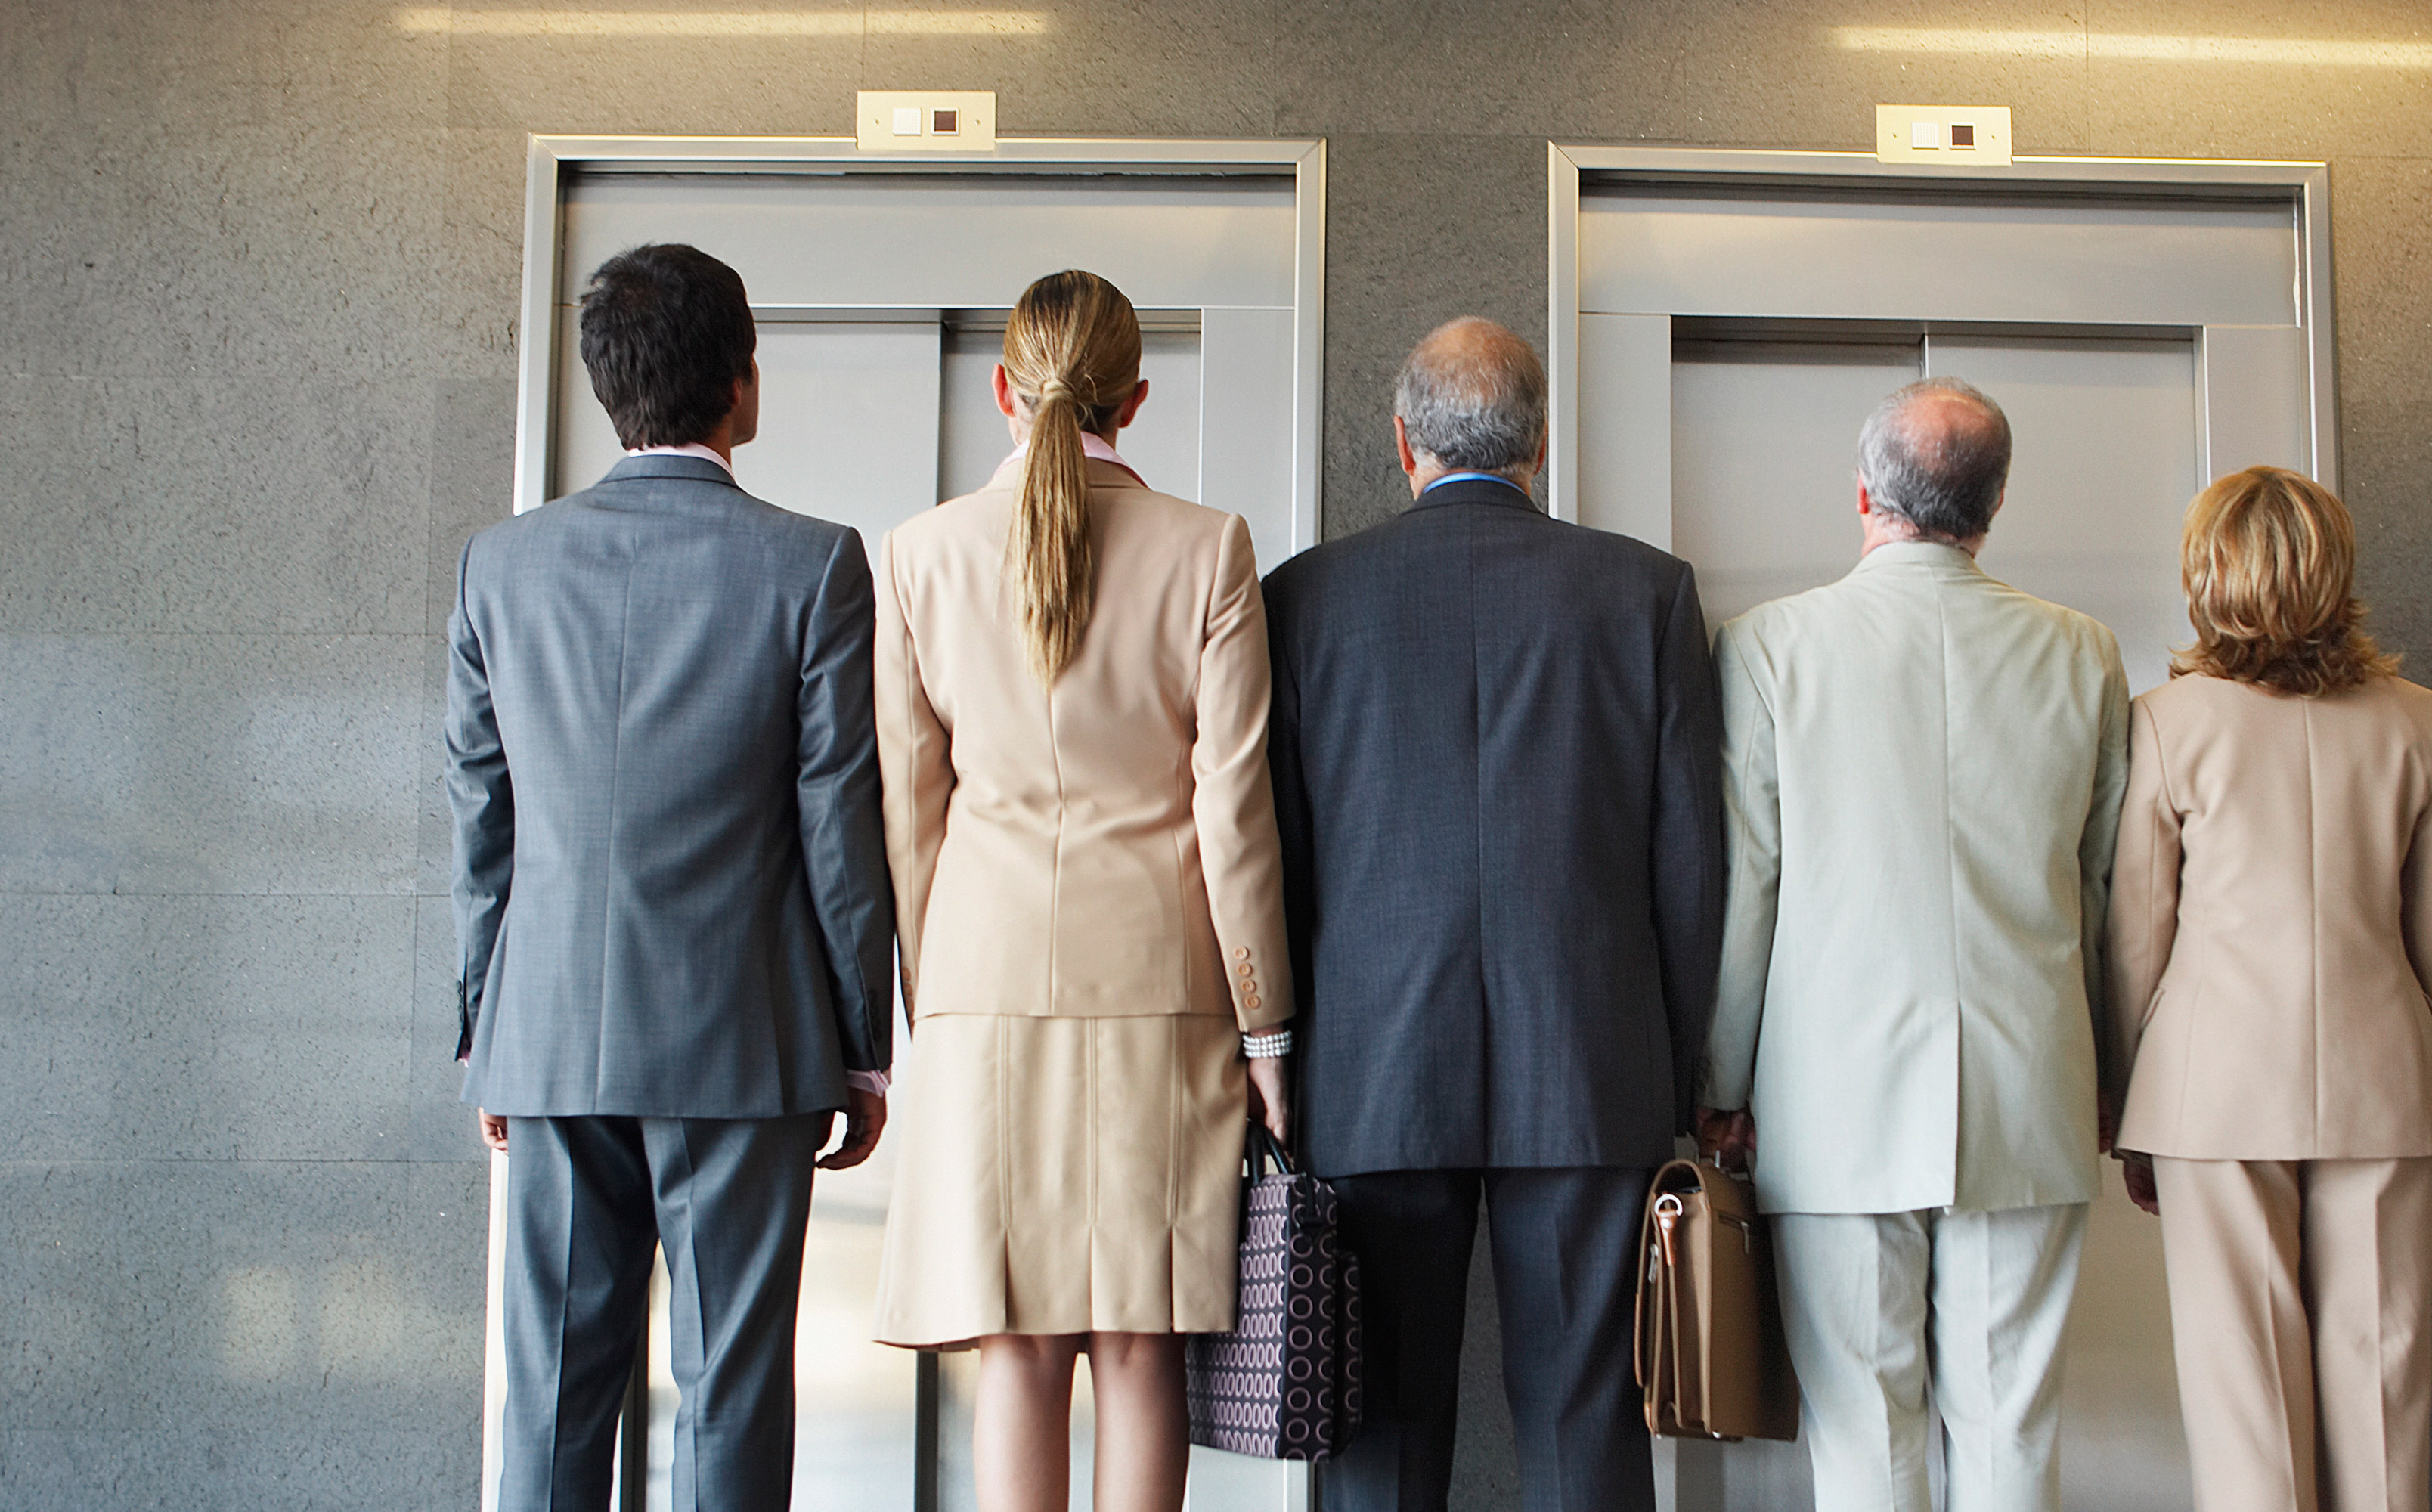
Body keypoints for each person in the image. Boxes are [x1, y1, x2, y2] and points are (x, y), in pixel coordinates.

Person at [448, 242, 896, 1512]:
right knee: (732, 1397)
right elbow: (836, 823)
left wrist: (486, 1027)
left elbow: (483, 818)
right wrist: (863, 1046)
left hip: (548, 1044)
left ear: (607, 387)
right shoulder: (812, 564)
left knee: (549, 1403)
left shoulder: (501, 567)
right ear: (741, 385)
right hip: (742, 1050)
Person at [1263, 318, 1724, 1512]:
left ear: (1404, 442)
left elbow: (1279, 860)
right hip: (1589, 1072)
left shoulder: (1305, 600)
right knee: (1585, 1433)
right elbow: (1690, 862)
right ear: (1543, 441)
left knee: (1377, 1441)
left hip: (1371, 1074)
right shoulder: (1647, 593)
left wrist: (1285, 1058)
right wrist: (1676, 1077)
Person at [867, 269, 1293, 1512]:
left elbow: (910, 815)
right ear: (1137, 400)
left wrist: (929, 1000)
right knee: (1141, 1333)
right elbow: (1234, 811)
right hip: (1166, 991)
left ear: (1004, 389)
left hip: (981, 991)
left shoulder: (919, 556)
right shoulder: (1208, 547)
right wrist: (1267, 1027)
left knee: (1019, 1340)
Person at [1695, 377, 2129, 1512]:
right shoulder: (2083, 654)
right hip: (2028, 1086)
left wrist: (1722, 1082)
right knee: (2010, 1435)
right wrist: (2111, 1078)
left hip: (1833, 1095)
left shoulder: (1768, 647)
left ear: (1861, 494)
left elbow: (1752, 885)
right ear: (1993, 507)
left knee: (1863, 1437)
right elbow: (2101, 890)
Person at [2105, 464, 2432, 1512]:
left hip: (2213, 1091)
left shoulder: (2169, 723)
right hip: (2387, 1081)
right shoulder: (2419, 722)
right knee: (2385, 1384)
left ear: (2207, 573)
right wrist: (2429, 1077)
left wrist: (2136, 1115)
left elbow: (2140, 939)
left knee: (2246, 1396)